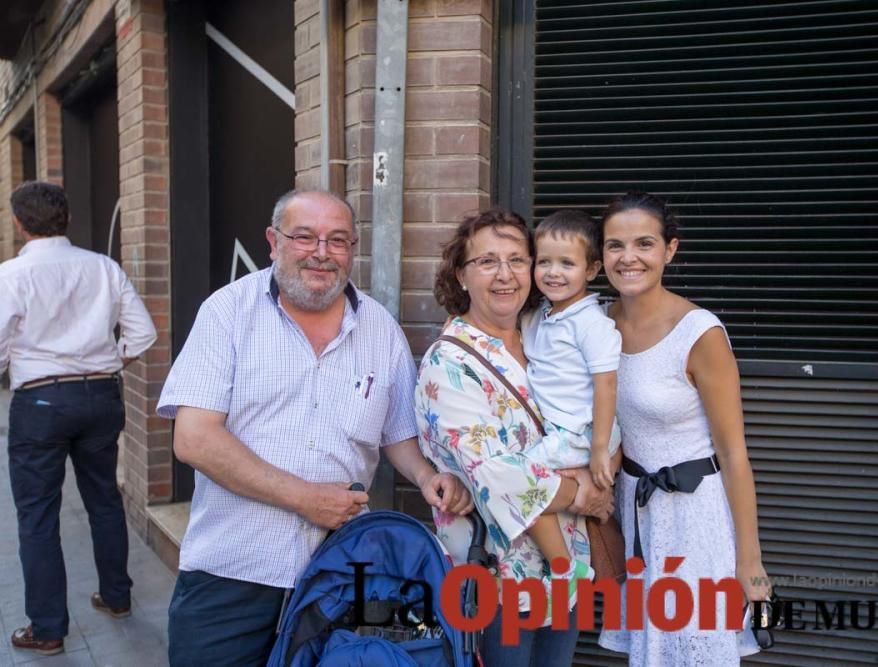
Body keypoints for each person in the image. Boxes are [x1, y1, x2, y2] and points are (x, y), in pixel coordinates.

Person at [156, 190, 473, 666]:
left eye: (338, 240)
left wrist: (429, 478)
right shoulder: (227, 313)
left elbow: (397, 434)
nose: (321, 252)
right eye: (304, 237)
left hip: (340, 575)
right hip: (233, 572)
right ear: (273, 241)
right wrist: (305, 498)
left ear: (353, 248)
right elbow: (195, 439)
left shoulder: (380, 329)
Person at [415, 207, 615, 666]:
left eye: (517, 259)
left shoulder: (544, 334)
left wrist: (606, 469)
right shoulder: (451, 362)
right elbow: (497, 474)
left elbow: (597, 412)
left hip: (566, 569)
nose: (505, 275)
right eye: (487, 262)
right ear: (461, 276)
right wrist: (584, 493)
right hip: (498, 577)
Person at [596, 192, 769, 665]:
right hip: (635, 512)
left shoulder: (700, 334)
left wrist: (749, 561)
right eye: (615, 246)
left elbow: (734, 454)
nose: (628, 258)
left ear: (670, 250)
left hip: (695, 518)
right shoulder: (596, 323)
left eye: (644, 244)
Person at [0, 181, 157, 657]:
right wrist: (106, 364)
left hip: (40, 402)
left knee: (38, 515)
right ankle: (116, 596)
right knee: (105, 499)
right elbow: (143, 334)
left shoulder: (10, 275)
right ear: (65, 218)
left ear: (19, 223)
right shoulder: (104, 268)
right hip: (100, 397)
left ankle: (47, 628)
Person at [520, 209, 623, 612]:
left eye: (567, 263)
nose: (553, 273)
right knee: (526, 485)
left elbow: (607, 384)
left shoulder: (591, 323)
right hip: (565, 433)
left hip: (583, 432)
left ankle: (564, 569)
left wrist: (600, 449)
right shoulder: (541, 317)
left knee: (517, 482)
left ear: (592, 268)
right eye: (544, 262)